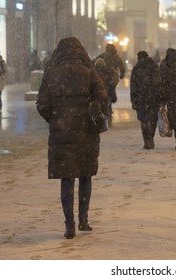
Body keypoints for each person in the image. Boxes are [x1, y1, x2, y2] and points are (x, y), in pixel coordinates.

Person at [36, 37, 109, 239]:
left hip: (63, 134)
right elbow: (103, 98)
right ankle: (83, 219)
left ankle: (69, 224)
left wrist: (56, 118)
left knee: (67, 179)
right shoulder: (89, 73)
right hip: (86, 133)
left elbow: (41, 104)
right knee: (85, 175)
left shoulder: (52, 74)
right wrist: (91, 110)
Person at [130, 51, 161, 149]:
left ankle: (147, 140)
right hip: (153, 98)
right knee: (153, 119)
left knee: (143, 119)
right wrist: (159, 96)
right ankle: (150, 137)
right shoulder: (154, 68)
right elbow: (159, 83)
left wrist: (133, 100)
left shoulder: (136, 69)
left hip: (141, 98)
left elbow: (133, 86)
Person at [93, 43, 126, 107]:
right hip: (112, 76)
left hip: (105, 76)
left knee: (105, 88)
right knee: (111, 88)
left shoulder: (103, 55)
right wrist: (122, 73)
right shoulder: (116, 57)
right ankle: (111, 98)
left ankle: (108, 100)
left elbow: (94, 61)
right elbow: (121, 66)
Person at [94, 57, 117, 123]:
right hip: (107, 91)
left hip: (98, 92)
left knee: (100, 105)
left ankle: (101, 117)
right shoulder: (107, 71)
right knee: (107, 104)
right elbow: (112, 82)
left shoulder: (94, 72)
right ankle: (107, 116)